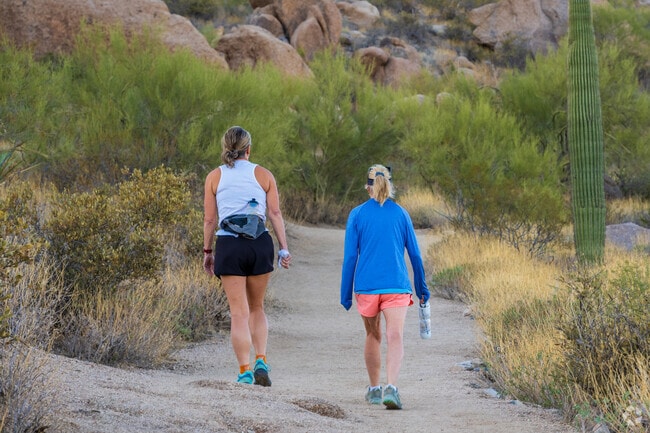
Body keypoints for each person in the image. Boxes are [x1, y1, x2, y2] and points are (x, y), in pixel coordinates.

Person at [203, 126, 292, 386]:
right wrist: (284, 248)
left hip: (229, 246)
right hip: (259, 243)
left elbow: (210, 219)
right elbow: (274, 214)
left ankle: (244, 371)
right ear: (249, 149)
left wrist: (208, 251)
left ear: (225, 148)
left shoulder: (214, 177)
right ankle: (261, 359)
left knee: (238, 313)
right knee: (256, 307)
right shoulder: (263, 174)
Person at [340, 164, 430, 410]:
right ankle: (392, 387)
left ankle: (374, 390)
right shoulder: (401, 214)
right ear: (390, 186)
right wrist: (422, 289)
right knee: (395, 335)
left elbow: (350, 258)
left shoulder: (357, 214)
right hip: (396, 286)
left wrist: (345, 293)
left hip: (367, 287)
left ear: (367, 187)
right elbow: (415, 256)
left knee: (373, 335)